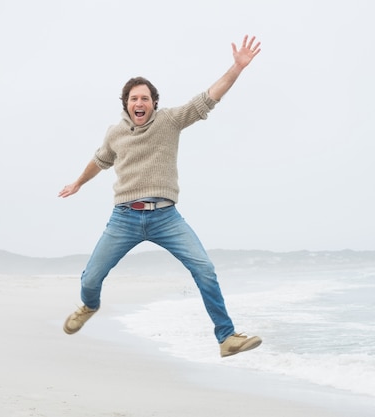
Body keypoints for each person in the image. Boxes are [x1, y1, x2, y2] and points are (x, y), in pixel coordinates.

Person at [58, 35, 262, 358]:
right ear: (126, 103)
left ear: (154, 102)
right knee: (91, 277)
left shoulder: (169, 121)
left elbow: (208, 98)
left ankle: (226, 337)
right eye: (133, 98)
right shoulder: (115, 133)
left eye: (145, 98)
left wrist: (236, 69)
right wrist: (78, 183)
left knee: (205, 269)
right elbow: (100, 160)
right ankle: (89, 306)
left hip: (166, 217)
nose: (139, 103)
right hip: (124, 218)